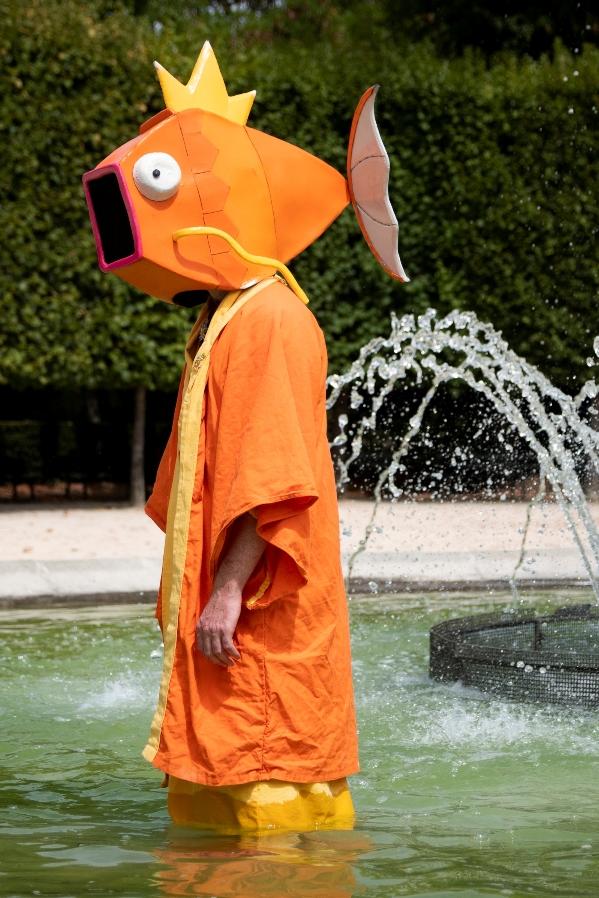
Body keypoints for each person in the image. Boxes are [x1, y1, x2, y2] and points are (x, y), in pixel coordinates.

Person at [81, 43, 405, 833]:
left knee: (270, 808)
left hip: (257, 620)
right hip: (239, 630)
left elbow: (275, 476)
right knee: (232, 803)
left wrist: (225, 591)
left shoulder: (267, 321)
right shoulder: (228, 317)